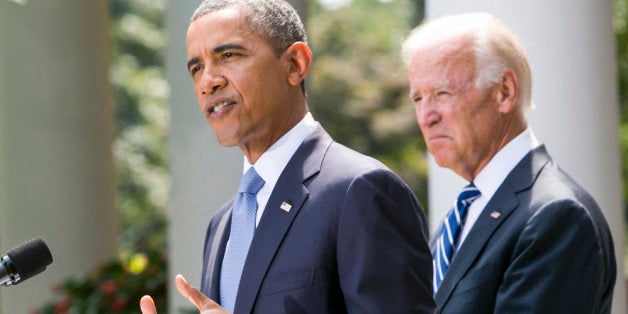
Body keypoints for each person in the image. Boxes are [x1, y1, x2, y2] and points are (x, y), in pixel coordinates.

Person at [140, 0, 436, 313]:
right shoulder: (222, 224)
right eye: (196, 68)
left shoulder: (360, 190)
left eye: (228, 55)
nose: (208, 82)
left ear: (295, 64)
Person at [401, 12, 616, 314]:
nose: (426, 117)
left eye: (442, 93)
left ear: (504, 91)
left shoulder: (555, 216)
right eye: (418, 99)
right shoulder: (465, 212)